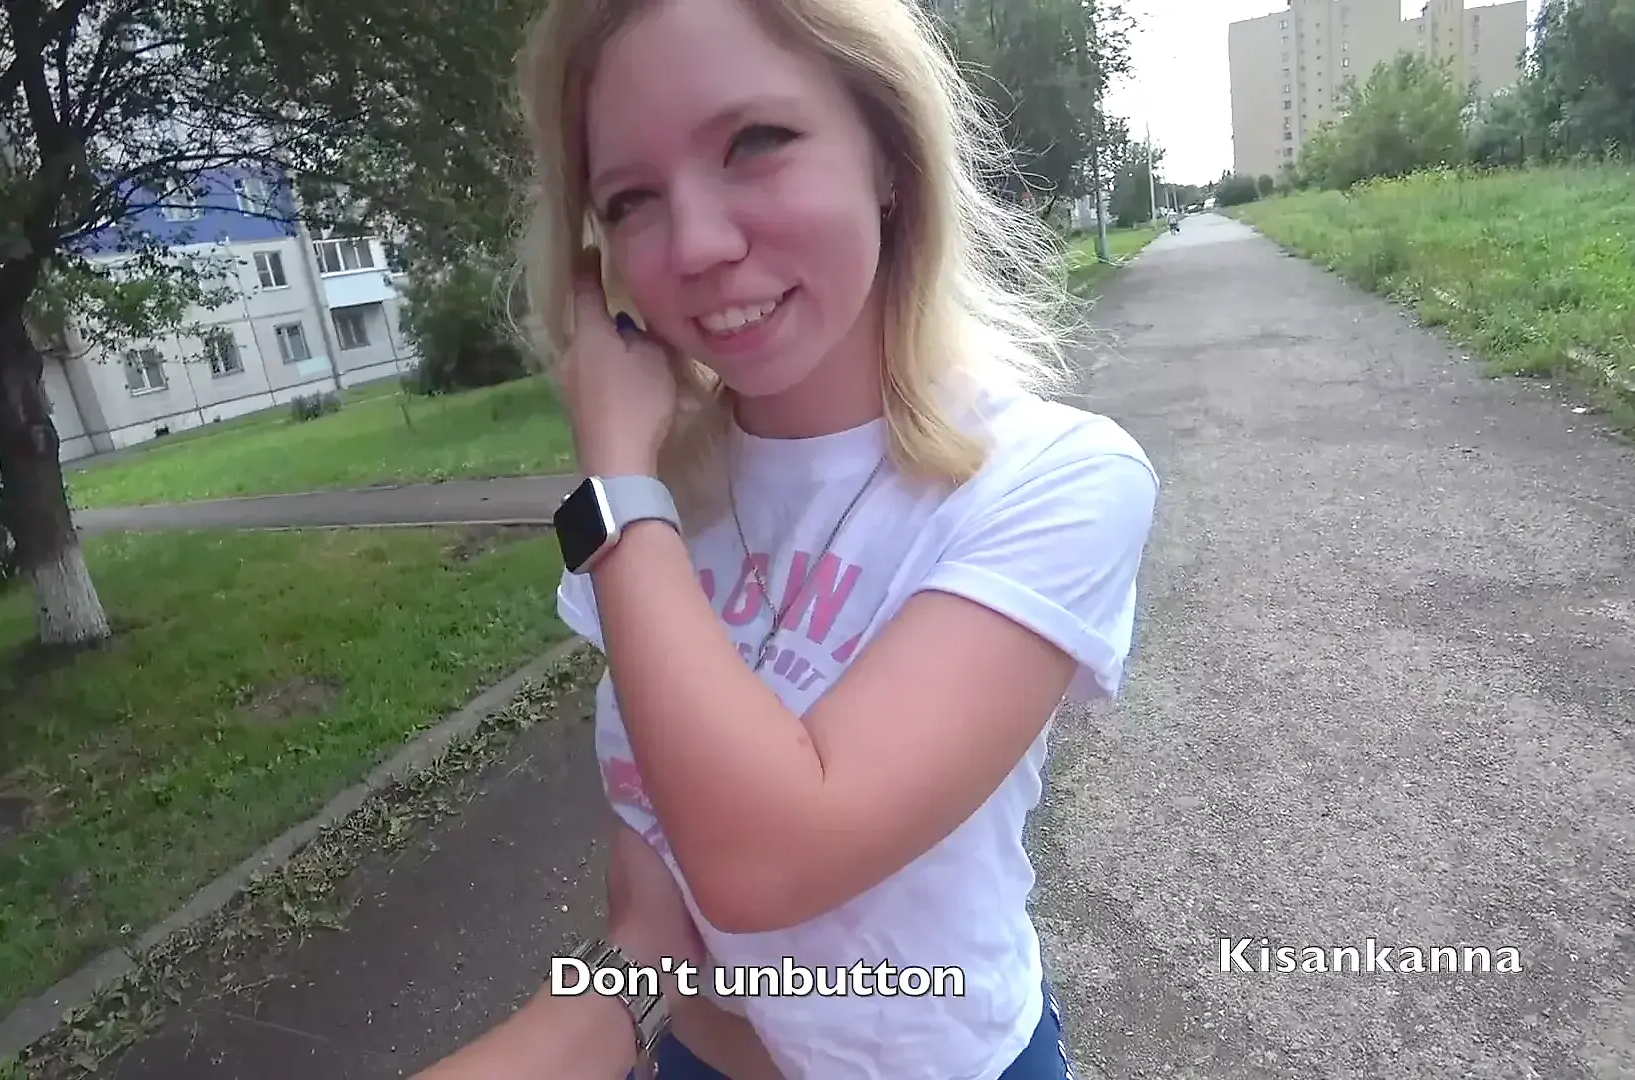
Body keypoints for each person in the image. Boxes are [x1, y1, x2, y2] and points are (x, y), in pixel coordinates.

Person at [411, 0, 1158, 1077]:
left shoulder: (1053, 480)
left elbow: (764, 862)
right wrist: (607, 1015)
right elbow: (650, 927)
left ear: (888, 153)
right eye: (630, 200)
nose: (698, 245)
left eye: (755, 142)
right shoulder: (656, 516)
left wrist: (615, 485)